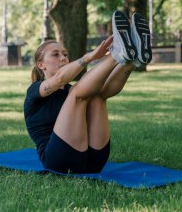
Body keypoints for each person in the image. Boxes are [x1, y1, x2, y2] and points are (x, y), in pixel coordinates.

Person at [24, 11, 152, 173]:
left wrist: (122, 63)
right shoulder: (35, 91)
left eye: (65, 54)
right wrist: (90, 57)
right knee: (79, 93)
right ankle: (118, 55)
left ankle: (132, 61)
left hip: (94, 161)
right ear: (41, 65)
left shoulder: (75, 92)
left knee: (97, 96)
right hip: (58, 160)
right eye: (55, 55)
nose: (63, 58)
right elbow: (59, 80)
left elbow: (105, 89)